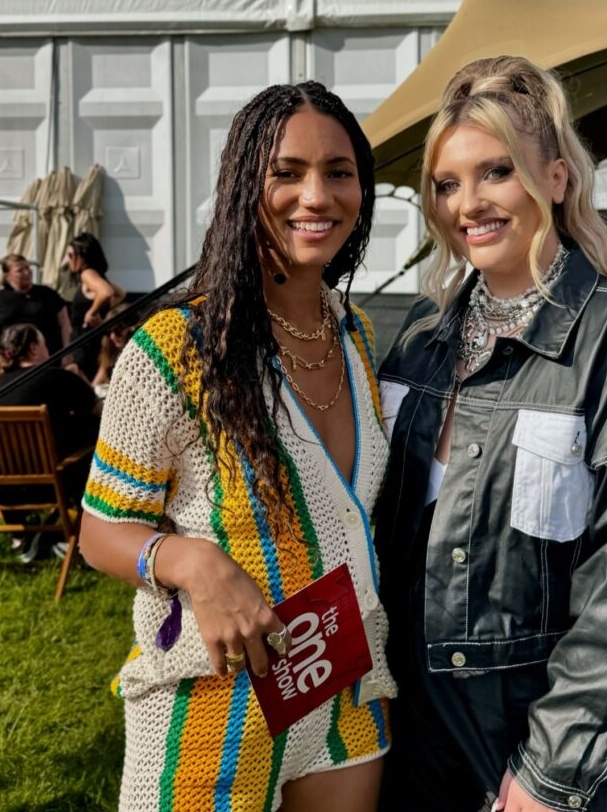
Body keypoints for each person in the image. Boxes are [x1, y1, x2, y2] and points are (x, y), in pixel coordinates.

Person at [374, 56, 607, 812]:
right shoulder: (422, 336)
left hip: (548, 755)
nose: (469, 203)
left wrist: (547, 775)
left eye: (495, 171)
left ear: (556, 178)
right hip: (414, 752)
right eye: (446, 182)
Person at [79, 82, 396, 812]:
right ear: (242, 186)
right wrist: (190, 560)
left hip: (348, 692)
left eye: (338, 171)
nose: (315, 196)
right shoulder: (173, 350)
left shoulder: (357, 338)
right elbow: (100, 528)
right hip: (212, 705)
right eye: (285, 172)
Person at [0, 322, 101, 561]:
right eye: (45, 343)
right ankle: (84, 539)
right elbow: (99, 410)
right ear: (35, 348)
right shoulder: (54, 377)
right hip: (51, 485)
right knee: (94, 448)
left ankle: (22, 537)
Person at [0, 254, 72, 359]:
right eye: (20, 270)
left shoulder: (47, 294)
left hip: (43, 355)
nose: (27, 272)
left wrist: (67, 355)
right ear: (7, 275)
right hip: (10, 356)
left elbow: (65, 325)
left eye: (28, 268)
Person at [66, 232, 126, 380]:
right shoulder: (97, 275)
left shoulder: (87, 274)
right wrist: (103, 312)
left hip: (86, 342)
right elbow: (121, 293)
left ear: (82, 256)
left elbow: (106, 292)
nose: (68, 261)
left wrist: (91, 312)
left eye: (70, 255)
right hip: (94, 340)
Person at [91, 302, 137, 388]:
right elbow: (97, 381)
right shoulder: (109, 350)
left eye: (117, 331)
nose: (112, 337)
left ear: (132, 328)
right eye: (108, 332)